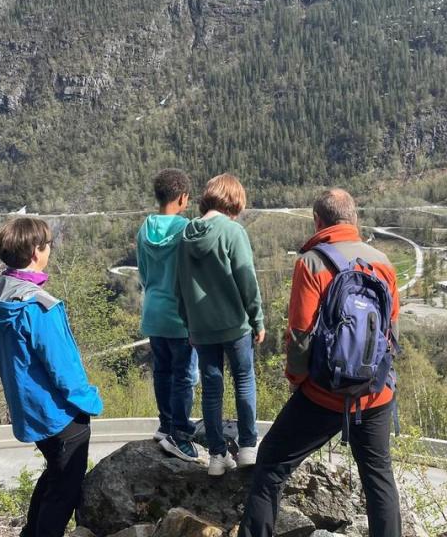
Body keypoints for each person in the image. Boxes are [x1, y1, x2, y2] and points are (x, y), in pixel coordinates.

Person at [239, 189, 401, 537]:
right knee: (378, 480)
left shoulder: (312, 262)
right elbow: (391, 330)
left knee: (270, 464)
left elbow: (300, 335)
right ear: (353, 219)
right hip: (374, 396)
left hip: (324, 396)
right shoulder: (384, 263)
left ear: (318, 221)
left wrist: (298, 379)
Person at [0, 217, 102, 537]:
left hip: (28, 410)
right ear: (36, 251)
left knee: (55, 476)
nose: (49, 250)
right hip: (58, 413)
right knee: (65, 491)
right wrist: (89, 401)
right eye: (47, 245)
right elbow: (64, 370)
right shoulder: (39, 306)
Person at [177, 173, 264, 476]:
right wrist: (257, 318)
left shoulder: (186, 235)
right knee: (244, 380)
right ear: (234, 200)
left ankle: (216, 456)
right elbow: (247, 279)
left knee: (212, 389)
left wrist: (189, 325)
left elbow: (180, 287)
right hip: (234, 324)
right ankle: (248, 447)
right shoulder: (232, 232)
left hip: (201, 328)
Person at [137, 168, 199, 461]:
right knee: (184, 376)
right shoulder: (186, 229)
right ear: (183, 197)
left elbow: (145, 275)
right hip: (179, 315)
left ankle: (164, 426)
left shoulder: (144, 228)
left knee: (162, 370)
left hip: (153, 312)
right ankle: (180, 434)